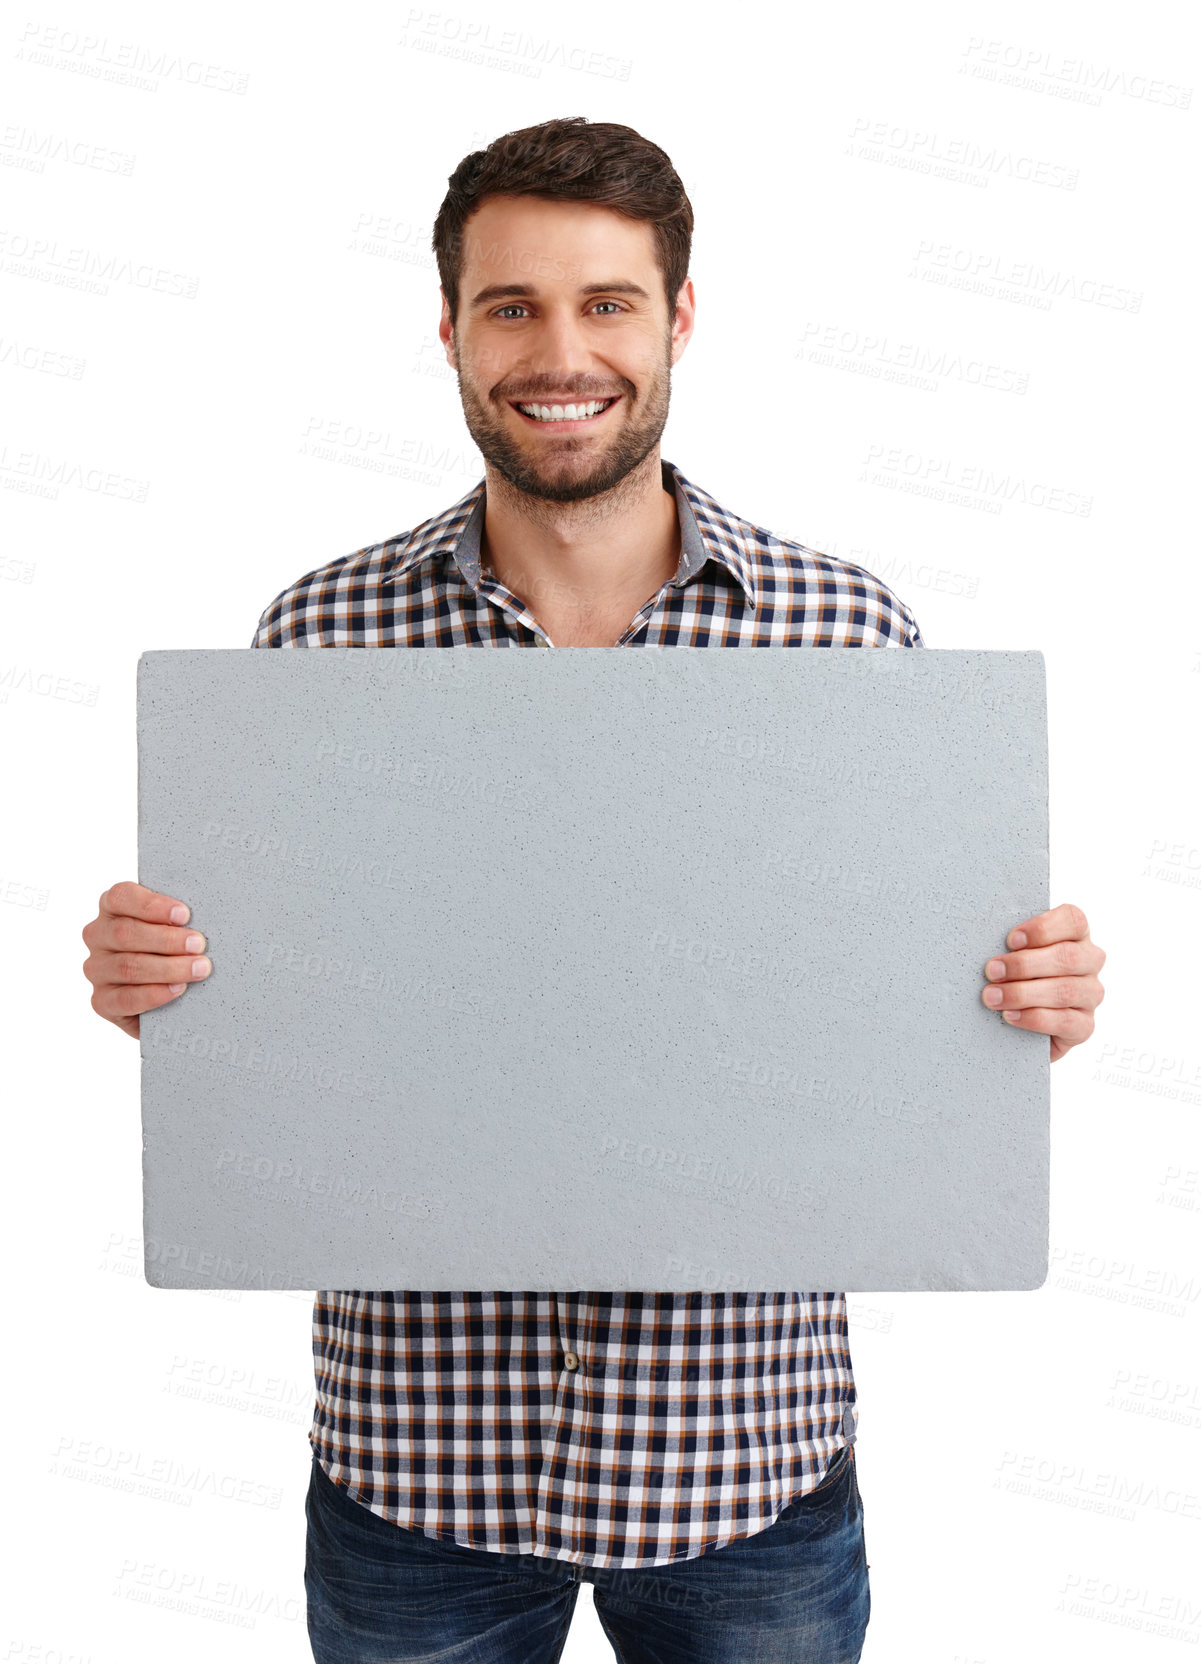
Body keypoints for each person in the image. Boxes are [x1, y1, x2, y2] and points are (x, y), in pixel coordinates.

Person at [81, 116, 1107, 1664]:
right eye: (512, 306)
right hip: (412, 1470)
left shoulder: (846, 636)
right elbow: (293, 1045)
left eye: (606, 303)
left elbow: (890, 1025)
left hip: (738, 1471)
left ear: (678, 318)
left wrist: (1019, 1011)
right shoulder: (319, 639)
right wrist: (166, 994)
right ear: (448, 331)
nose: (561, 352)